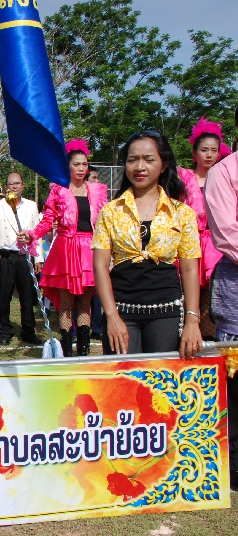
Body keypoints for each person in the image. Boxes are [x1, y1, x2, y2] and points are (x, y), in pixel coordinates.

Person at [93, 131, 201, 360]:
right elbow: (100, 266)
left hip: (167, 313)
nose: (139, 167)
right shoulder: (110, 212)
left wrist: (192, 320)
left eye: (149, 159)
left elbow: (190, 269)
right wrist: (111, 316)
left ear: (164, 165)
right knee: (121, 378)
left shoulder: (182, 213)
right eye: (132, 160)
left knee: (162, 379)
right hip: (121, 311)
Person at [26, 139, 108, 357]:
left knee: (85, 304)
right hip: (66, 250)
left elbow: (104, 222)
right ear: (68, 166)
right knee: (66, 304)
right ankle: (66, 353)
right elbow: (48, 219)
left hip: (89, 250)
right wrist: (33, 234)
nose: (81, 168)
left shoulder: (97, 191)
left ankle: (83, 352)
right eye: (76, 164)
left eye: (84, 164)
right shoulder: (59, 191)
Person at [204, 129, 238, 490]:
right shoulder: (225, 172)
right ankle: (234, 461)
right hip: (235, 277)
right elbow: (228, 233)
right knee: (235, 373)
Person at [178, 117, 225, 340]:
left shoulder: (225, 180)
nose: (209, 155)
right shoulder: (183, 179)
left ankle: (209, 343)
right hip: (190, 243)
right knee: (187, 294)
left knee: (211, 298)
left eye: (214, 150)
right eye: (204, 150)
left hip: (215, 245)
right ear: (194, 153)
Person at [0, 173, 42, 346]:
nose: (14, 186)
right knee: (3, 296)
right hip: (6, 256)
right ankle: (5, 330)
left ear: (23, 185)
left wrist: (38, 257)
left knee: (27, 297)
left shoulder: (31, 206)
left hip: (25, 257)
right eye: (11, 184)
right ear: (7, 187)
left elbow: (36, 233)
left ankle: (28, 330)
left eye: (17, 183)